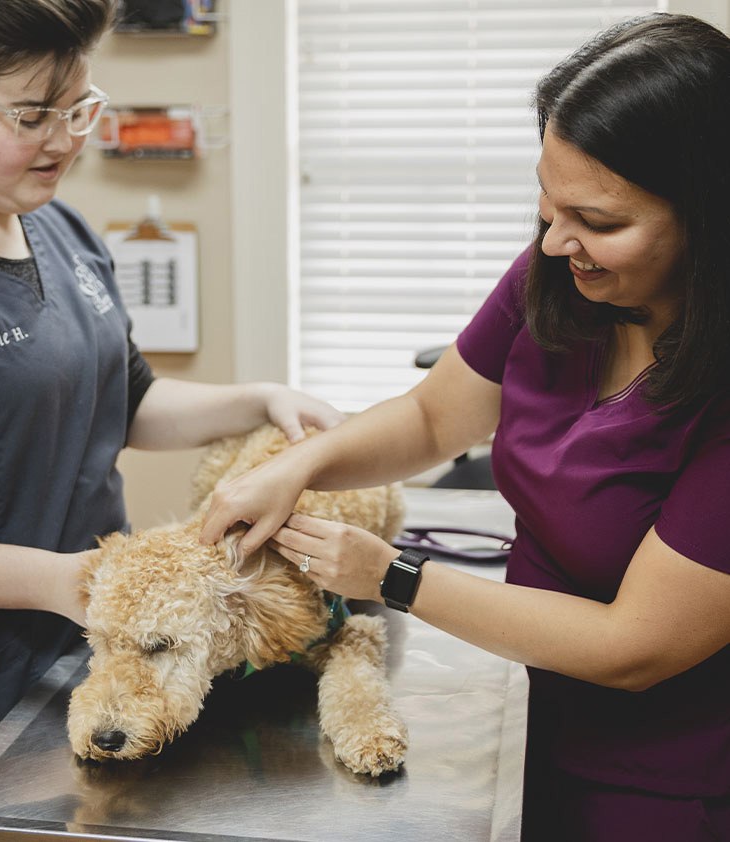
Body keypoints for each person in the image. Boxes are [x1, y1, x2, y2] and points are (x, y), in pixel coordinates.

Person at [201, 13, 730, 842]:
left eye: (598, 220)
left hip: (670, 779)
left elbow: (637, 645)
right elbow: (430, 415)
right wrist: (295, 467)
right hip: (537, 713)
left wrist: (393, 577)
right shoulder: (559, 281)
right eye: (548, 204)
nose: (558, 241)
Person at [0, 0, 343, 814]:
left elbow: (125, 399)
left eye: (81, 106)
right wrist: (68, 581)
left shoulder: (61, 227)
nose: (67, 139)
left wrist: (258, 399)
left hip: (88, 656)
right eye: (34, 115)